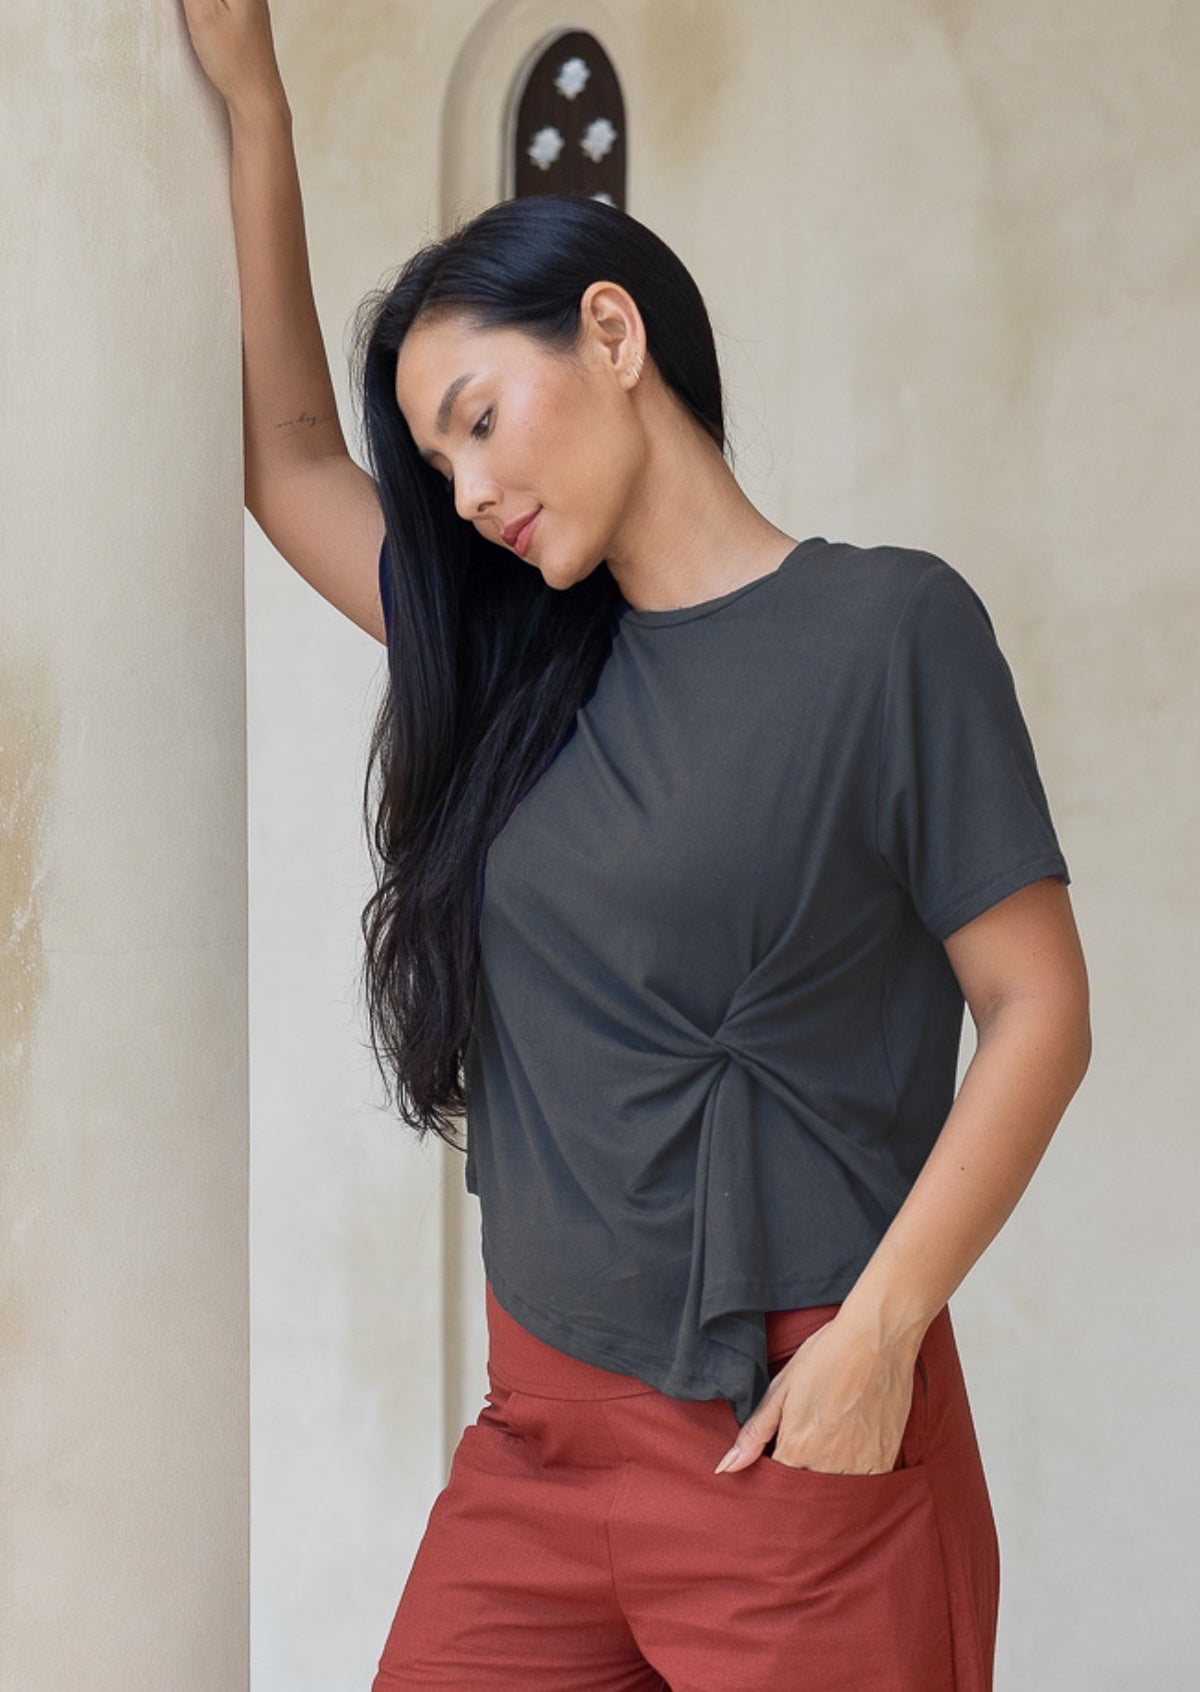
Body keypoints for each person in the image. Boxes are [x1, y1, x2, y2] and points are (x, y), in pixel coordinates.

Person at [184, 5, 1093, 1689]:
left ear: (610, 332)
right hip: (536, 1444)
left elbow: (1040, 1009)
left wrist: (880, 1339)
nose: (461, 493)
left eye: (476, 418)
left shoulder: (888, 631)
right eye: (437, 459)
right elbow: (289, 456)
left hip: (791, 1437)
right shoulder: (518, 661)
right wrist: (256, 111)